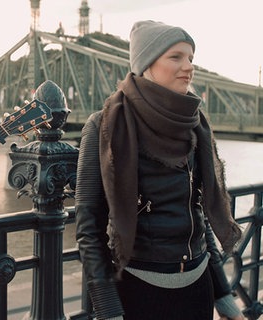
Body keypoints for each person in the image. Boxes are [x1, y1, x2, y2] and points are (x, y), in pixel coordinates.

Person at [74, 20, 244, 320]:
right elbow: (89, 228)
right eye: (175, 57)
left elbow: (198, 214)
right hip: (139, 292)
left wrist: (222, 295)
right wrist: (108, 310)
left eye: (190, 57)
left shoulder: (195, 124)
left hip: (197, 288)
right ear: (146, 63)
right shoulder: (104, 125)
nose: (188, 66)